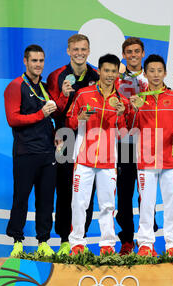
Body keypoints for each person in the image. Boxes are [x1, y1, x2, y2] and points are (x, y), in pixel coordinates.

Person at [66, 54, 129, 255]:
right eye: (107, 71)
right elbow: (70, 122)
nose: (110, 75)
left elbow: (124, 133)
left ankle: (107, 245)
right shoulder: (84, 94)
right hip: (84, 159)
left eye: (113, 71)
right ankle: (77, 242)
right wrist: (79, 118)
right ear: (99, 71)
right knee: (79, 203)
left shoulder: (121, 101)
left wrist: (121, 116)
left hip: (108, 161)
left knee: (108, 205)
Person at [128, 54, 173, 257]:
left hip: (170, 160)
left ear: (165, 73)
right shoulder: (139, 99)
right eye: (151, 71)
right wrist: (133, 110)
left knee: (172, 203)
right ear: (145, 74)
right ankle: (146, 243)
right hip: (146, 160)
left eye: (159, 71)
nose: (155, 75)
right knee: (146, 203)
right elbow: (130, 128)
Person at [4, 44, 60, 257]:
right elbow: (13, 119)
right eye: (34, 61)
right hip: (25, 152)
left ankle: (43, 241)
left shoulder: (45, 87)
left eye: (41, 61)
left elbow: (52, 116)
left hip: (47, 153)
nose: (38, 64)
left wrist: (56, 134)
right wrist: (41, 114)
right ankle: (17, 240)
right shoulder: (15, 86)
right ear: (25, 62)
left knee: (46, 199)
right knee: (21, 198)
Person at [47, 34, 99, 256]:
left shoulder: (97, 75)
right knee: (65, 187)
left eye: (84, 49)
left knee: (87, 189)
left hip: (90, 137)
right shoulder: (55, 76)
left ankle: (81, 237)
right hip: (64, 136)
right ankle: (64, 239)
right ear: (68, 51)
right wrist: (63, 96)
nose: (80, 53)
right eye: (75, 49)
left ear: (89, 51)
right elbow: (52, 111)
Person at [114, 37, 149, 255]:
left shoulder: (153, 76)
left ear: (143, 53)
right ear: (124, 55)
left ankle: (147, 240)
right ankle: (126, 239)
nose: (133, 55)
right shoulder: (116, 79)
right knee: (125, 193)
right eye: (129, 52)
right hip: (125, 142)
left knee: (147, 193)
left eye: (137, 51)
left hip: (147, 141)